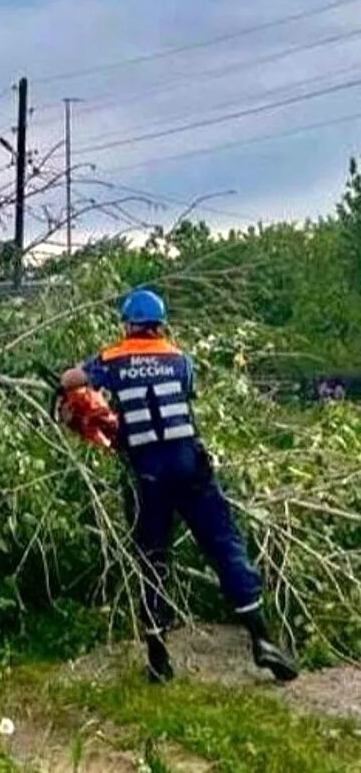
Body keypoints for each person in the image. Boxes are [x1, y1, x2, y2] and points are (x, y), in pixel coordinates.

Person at [60, 288, 299, 683]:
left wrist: (72, 380)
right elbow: (184, 395)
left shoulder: (113, 357)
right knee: (225, 546)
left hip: (148, 474)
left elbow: (73, 380)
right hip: (191, 468)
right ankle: (262, 638)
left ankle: (158, 657)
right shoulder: (179, 358)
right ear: (160, 323)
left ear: (128, 324)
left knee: (152, 559)